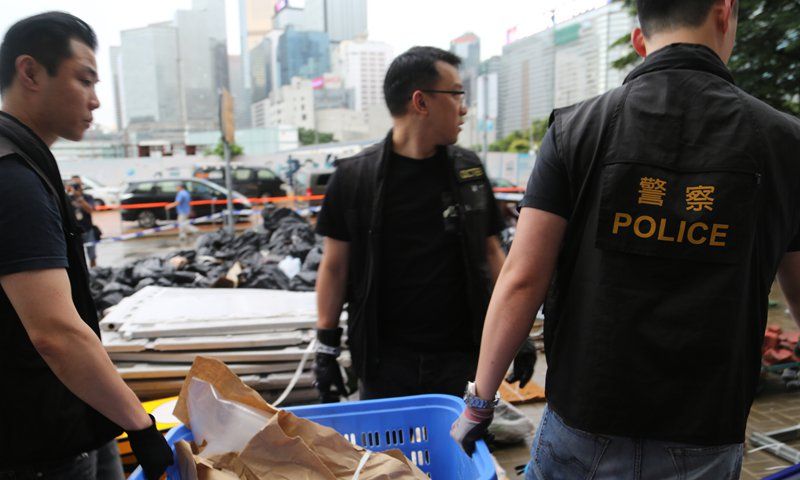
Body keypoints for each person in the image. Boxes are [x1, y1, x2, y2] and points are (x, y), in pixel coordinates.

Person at [451, 0, 800, 477]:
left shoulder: (577, 129)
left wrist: (480, 402)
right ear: (725, 11)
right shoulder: (785, 143)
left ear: (640, 42)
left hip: (585, 420)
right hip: (704, 432)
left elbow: (522, 277)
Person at [0, 12, 172, 479]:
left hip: (67, 424)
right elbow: (54, 333)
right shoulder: (12, 178)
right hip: (42, 448)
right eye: (84, 80)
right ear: (31, 72)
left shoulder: (26, 161)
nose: (96, 102)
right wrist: (140, 425)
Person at [313, 46, 536, 403]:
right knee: (387, 457)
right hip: (384, 359)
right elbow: (335, 266)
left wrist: (517, 332)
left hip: (460, 356)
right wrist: (325, 345)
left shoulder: (469, 170)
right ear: (421, 102)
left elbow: (491, 253)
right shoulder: (354, 177)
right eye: (456, 95)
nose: (463, 108)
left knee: (456, 452)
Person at [67, 175, 98, 267]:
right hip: (75, 231)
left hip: (88, 229)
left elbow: (90, 210)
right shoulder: (68, 198)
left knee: (92, 255)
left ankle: (94, 273)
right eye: (74, 185)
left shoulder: (87, 197)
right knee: (77, 256)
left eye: (78, 184)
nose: (76, 187)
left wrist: (80, 198)